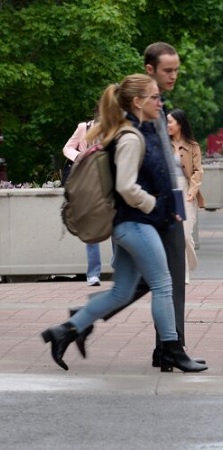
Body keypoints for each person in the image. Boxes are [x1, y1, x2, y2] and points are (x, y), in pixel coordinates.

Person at [41, 74, 207, 373]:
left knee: (122, 292)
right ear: (138, 102)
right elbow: (126, 187)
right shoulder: (131, 137)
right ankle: (172, 350)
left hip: (130, 225)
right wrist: (155, 205)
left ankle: (64, 331)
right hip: (136, 223)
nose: (160, 103)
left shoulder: (136, 131)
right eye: (154, 97)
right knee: (163, 285)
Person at [63, 117, 102, 287]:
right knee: (90, 228)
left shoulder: (116, 128)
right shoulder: (84, 128)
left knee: (117, 227)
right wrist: (80, 156)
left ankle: (119, 266)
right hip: (87, 183)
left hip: (108, 183)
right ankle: (93, 274)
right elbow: (67, 147)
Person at [167, 108, 204, 284]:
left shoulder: (192, 146)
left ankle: (190, 263)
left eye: (170, 122)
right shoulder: (163, 144)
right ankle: (183, 273)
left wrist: (192, 192)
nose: (167, 125)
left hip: (185, 192)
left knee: (185, 235)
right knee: (173, 236)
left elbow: (198, 171)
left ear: (180, 124)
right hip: (168, 192)